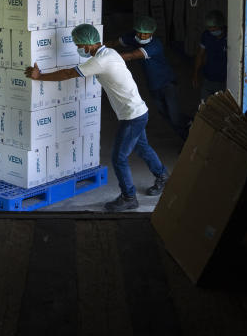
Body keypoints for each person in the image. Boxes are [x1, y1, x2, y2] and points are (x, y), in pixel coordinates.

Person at [24, 23, 169, 212]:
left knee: (119, 158)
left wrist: (40, 76)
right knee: (142, 147)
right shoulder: (108, 53)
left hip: (133, 116)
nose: (78, 48)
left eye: (79, 45)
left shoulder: (100, 61)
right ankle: (163, 176)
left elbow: (69, 73)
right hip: (138, 111)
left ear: (88, 44)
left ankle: (129, 197)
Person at [109, 15, 189, 141]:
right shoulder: (132, 37)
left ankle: (189, 133)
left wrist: (106, 58)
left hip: (167, 83)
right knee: (165, 114)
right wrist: (98, 48)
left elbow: (131, 55)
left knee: (174, 117)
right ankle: (186, 137)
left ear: (152, 32)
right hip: (153, 85)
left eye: (146, 34)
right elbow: (115, 42)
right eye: (139, 33)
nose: (142, 36)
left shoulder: (155, 45)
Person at [192, 10, 228, 103]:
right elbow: (200, 55)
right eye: (209, 28)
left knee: (221, 108)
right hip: (209, 77)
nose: (211, 30)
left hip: (224, 80)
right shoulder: (206, 35)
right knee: (204, 106)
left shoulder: (230, 35)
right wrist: (195, 75)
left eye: (214, 28)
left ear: (221, 25)